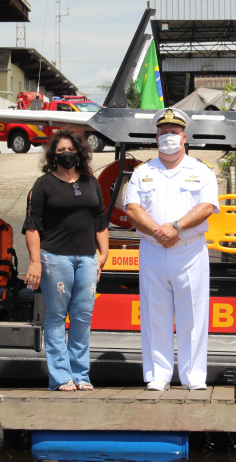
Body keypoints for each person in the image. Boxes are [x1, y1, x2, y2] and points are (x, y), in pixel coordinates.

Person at [124, 108, 220, 391]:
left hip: (189, 251)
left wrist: (175, 227)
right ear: (156, 137)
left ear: (184, 137)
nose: (168, 137)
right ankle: (159, 375)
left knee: (193, 313)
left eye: (174, 133)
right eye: (163, 132)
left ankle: (194, 376)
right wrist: (159, 231)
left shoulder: (200, 170)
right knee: (155, 313)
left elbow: (206, 207)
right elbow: (132, 208)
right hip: (153, 249)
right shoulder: (143, 171)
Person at [24, 129, 109, 391]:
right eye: (60, 151)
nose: (66, 155)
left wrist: (103, 254)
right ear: (52, 155)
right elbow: (32, 226)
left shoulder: (90, 181)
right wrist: (35, 261)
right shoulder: (43, 185)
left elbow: (100, 220)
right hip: (54, 259)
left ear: (80, 152)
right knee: (57, 317)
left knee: (83, 317)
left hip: (86, 258)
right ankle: (61, 377)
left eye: (70, 150)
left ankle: (81, 375)